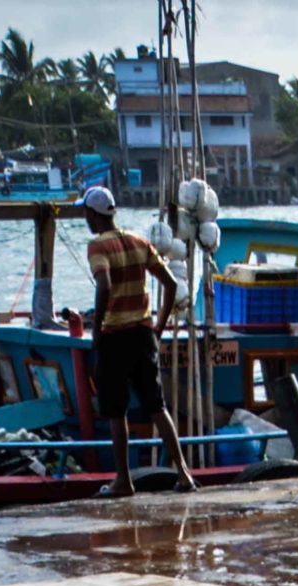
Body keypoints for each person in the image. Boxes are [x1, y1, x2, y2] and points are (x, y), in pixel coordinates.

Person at [80, 184, 194, 498]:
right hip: (143, 335)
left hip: (116, 337)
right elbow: (170, 283)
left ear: (93, 214)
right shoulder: (138, 241)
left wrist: (98, 329)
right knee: (157, 405)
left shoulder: (98, 247)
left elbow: (103, 286)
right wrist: (158, 326)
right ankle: (183, 473)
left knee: (116, 411)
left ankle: (123, 480)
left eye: (86, 212)